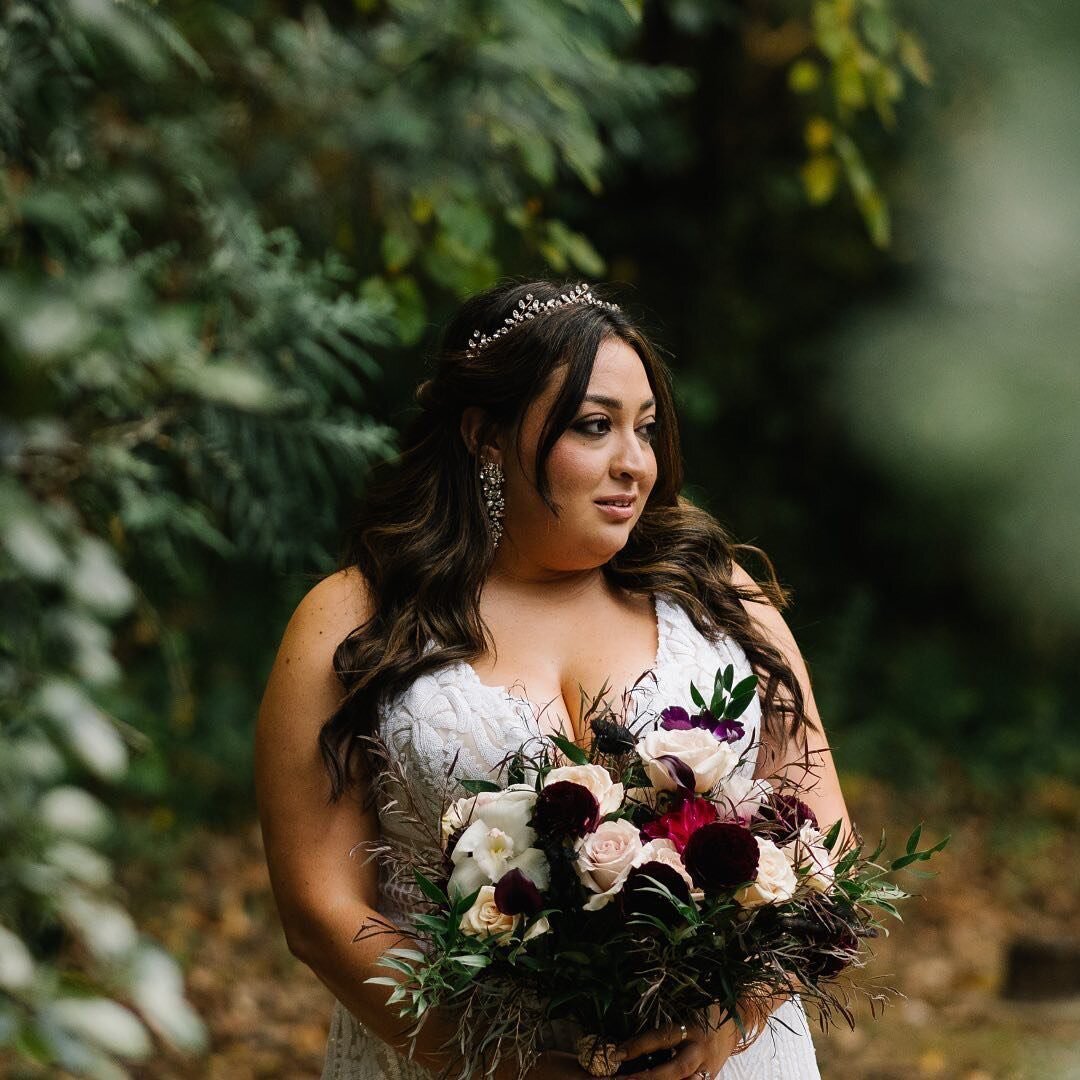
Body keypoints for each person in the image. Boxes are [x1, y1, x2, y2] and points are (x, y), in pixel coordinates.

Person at [255, 280, 853, 1080]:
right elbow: (320, 909)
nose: (634, 463)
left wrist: (729, 1024)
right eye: (594, 427)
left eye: (644, 429)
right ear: (485, 436)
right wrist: (501, 1062)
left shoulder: (722, 605)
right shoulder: (359, 621)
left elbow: (824, 844)